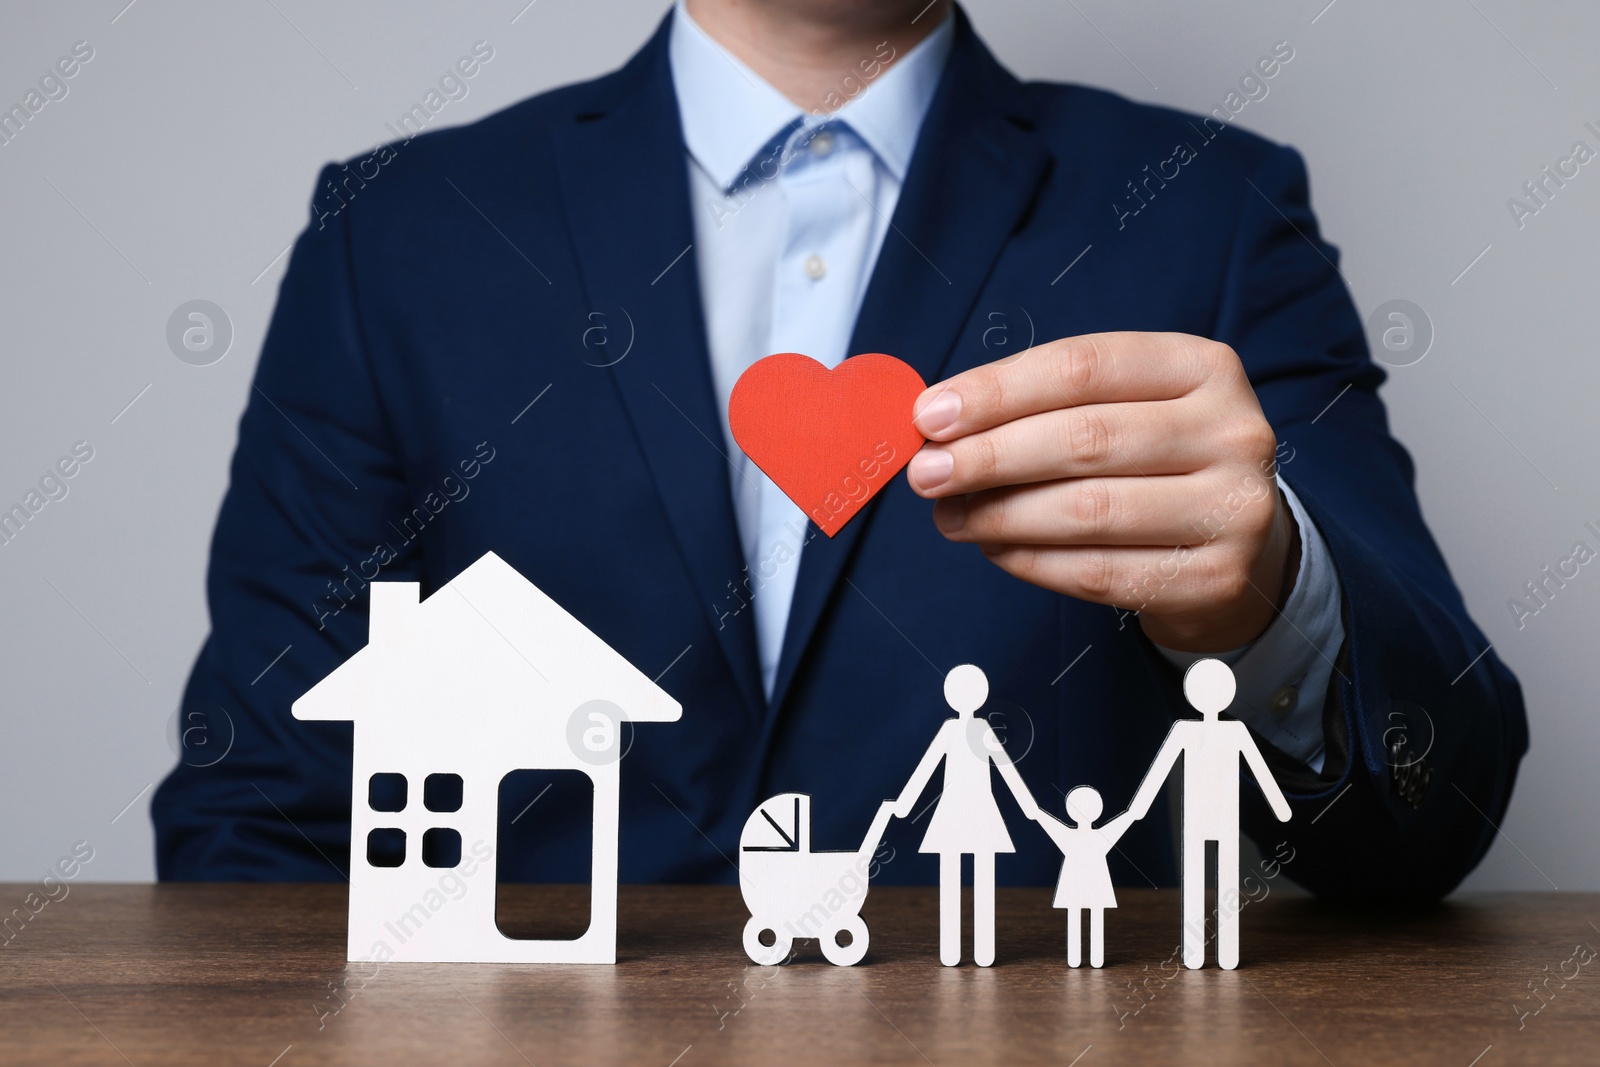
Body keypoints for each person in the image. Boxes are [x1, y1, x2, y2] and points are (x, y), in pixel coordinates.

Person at [152, 0, 1525, 904]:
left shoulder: (1208, 212)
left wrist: (1276, 603)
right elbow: (255, 813)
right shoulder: (401, 232)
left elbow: (1436, 807)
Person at [1128, 659, 1293, 970]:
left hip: (1225, 816)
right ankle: (1194, 952)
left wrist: (1280, 804)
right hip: (1197, 816)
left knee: (1227, 883)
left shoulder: (1235, 732)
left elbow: (1260, 770)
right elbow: (1160, 769)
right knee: (1195, 881)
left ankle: (1227, 952)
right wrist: (1139, 806)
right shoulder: (1185, 732)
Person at [890, 665, 1040, 966]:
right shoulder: (954, 730)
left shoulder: (983, 730)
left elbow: (1005, 767)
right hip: (954, 810)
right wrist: (905, 801)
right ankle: (952, 950)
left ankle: (983, 950)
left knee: (982, 877)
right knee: (953, 878)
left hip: (980, 809)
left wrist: (1028, 804)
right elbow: (928, 766)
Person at [1038, 787, 1135, 968]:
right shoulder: (1091, 836)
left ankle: (1090, 958)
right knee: (1081, 914)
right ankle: (1082, 958)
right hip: (1083, 883)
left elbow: (1037, 815)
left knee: (1089, 914)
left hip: (1091, 884)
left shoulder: (1085, 836)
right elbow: (1130, 815)